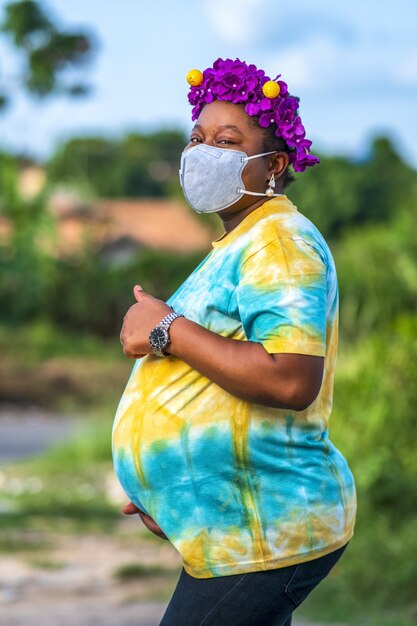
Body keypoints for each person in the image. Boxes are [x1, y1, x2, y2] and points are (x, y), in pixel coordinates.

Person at [113, 57, 357, 626]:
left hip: (269, 527)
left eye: (227, 142)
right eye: (197, 138)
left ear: (272, 163)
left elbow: (290, 378)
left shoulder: (280, 242)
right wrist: (175, 488)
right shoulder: (242, 243)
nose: (203, 154)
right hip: (235, 522)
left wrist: (164, 327)